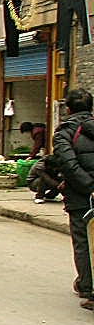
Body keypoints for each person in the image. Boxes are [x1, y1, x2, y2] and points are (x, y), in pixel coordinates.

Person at [52, 87, 94, 311]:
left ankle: (88, 287)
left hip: (81, 198)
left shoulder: (64, 133)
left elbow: (68, 164)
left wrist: (88, 188)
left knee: (84, 241)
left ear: (67, 109)